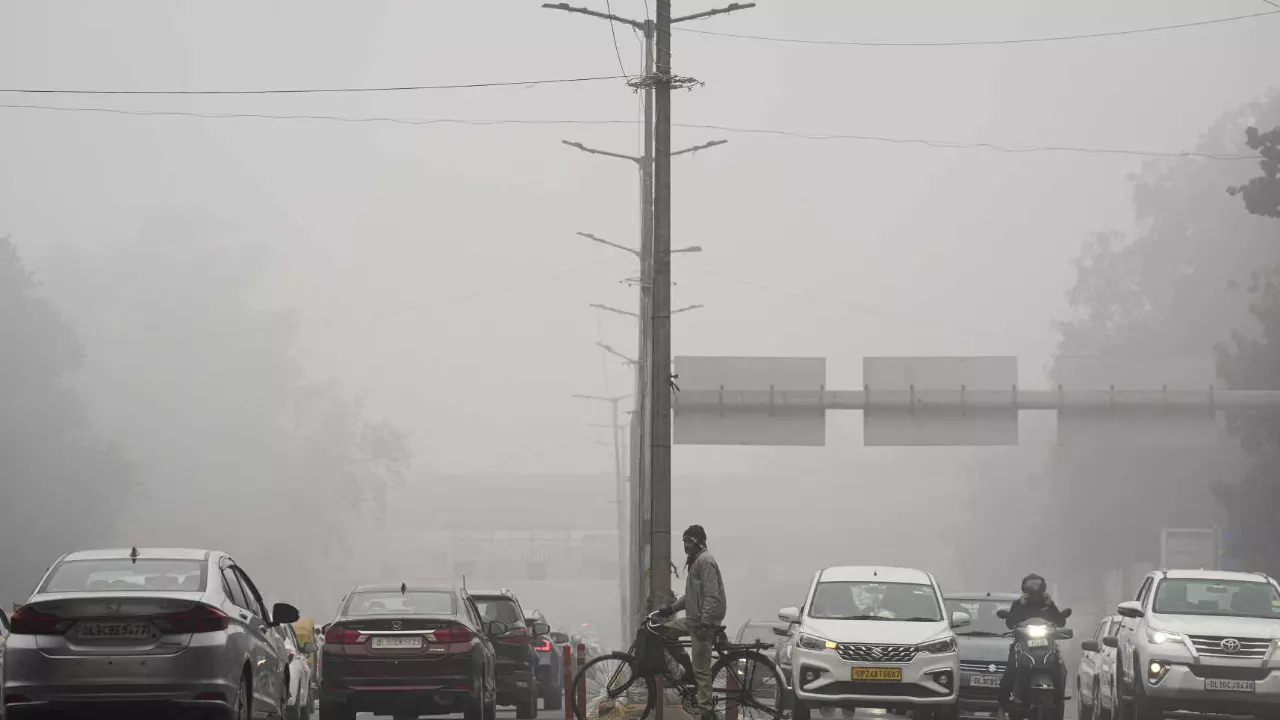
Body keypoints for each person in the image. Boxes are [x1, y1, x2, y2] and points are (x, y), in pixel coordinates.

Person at [656, 525, 726, 720]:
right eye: (684, 542)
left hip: (704, 622)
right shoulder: (696, 562)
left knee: (702, 670)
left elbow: (712, 596)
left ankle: (706, 712)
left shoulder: (706, 562)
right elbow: (690, 597)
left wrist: (705, 624)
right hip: (693, 620)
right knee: (663, 632)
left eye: (688, 542)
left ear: (698, 542)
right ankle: (688, 670)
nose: (685, 546)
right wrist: (671, 609)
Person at [1000, 574, 1067, 719]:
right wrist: (1020, 606)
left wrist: (1050, 606)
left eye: (1038, 593)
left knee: (1060, 666)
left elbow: (1061, 622)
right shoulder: (1019, 604)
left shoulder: (1048, 603)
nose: (1035, 596)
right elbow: (1010, 623)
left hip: (1046, 645)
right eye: (1032, 593)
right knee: (1010, 670)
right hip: (1023, 644)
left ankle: (1059, 698)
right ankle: (1005, 702)